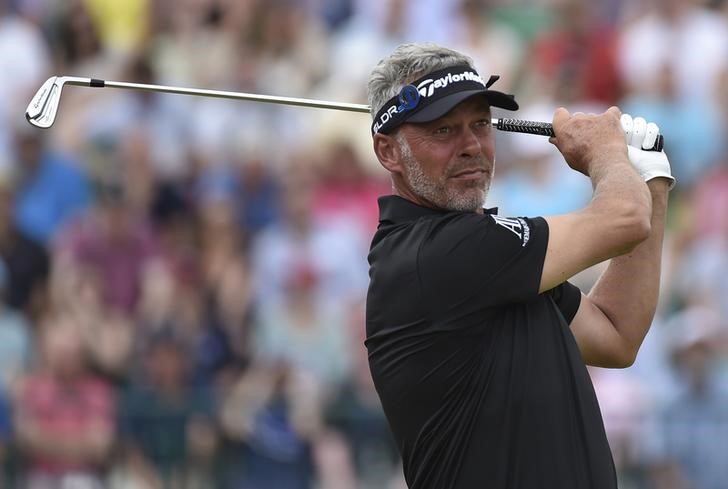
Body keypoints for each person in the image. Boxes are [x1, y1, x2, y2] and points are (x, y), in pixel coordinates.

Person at [364, 42, 674, 489]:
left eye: (479, 125)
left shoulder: (493, 258)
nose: (471, 146)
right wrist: (604, 151)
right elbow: (624, 218)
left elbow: (615, 334)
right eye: (443, 131)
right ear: (388, 152)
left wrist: (652, 181)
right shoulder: (432, 254)